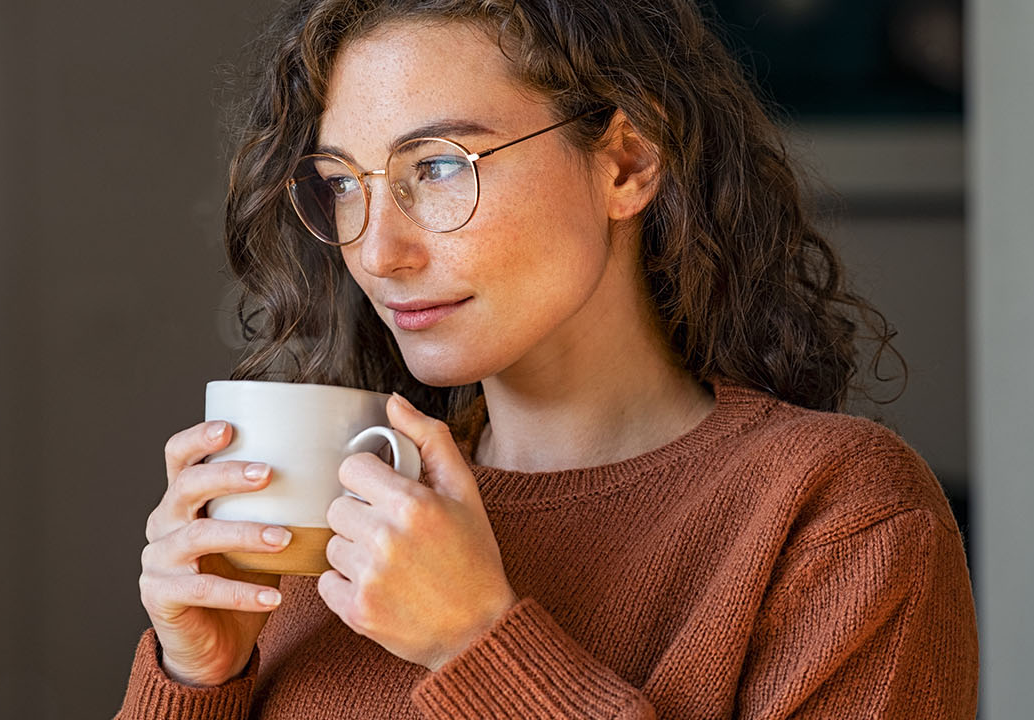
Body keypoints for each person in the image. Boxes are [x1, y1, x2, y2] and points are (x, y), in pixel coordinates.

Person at [121, 0, 977, 717]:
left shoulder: (841, 519)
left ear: (627, 163)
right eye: (345, 184)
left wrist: (479, 643)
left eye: (441, 167)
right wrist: (196, 676)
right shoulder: (324, 515)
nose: (378, 251)